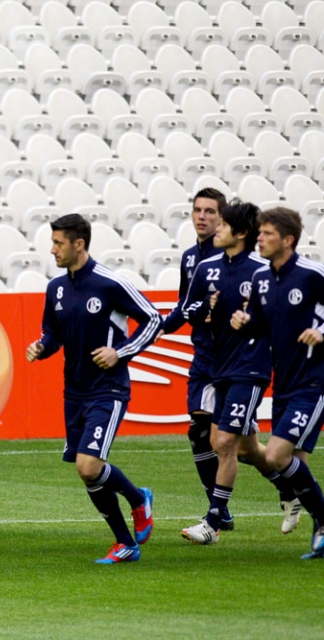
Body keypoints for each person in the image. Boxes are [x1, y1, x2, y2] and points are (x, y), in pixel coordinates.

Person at [26, 214, 157, 564]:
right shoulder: (55, 288)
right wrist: (42, 347)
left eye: (58, 243)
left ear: (78, 244)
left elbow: (153, 318)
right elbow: (52, 334)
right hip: (75, 391)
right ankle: (128, 534)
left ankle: (136, 504)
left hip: (108, 389)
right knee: (89, 471)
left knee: (88, 466)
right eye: (52, 242)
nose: (52, 249)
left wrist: (121, 352)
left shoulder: (109, 283)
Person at [179, 201, 279, 545]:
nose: (214, 230)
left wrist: (252, 321)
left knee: (221, 442)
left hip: (250, 368)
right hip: (218, 366)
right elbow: (188, 308)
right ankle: (296, 488)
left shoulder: (263, 271)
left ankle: (213, 522)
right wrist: (202, 309)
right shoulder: (206, 268)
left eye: (221, 226)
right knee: (249, 450)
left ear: (240, 233)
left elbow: (280, 319)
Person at [230, 207, 324, 559]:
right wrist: (245, 320)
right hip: (282, 383)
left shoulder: (312, 274)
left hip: (313, 382)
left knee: (275, 455)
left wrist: (321, 332)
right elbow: (262, 325)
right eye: (259, 233)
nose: (260, 239)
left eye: (267, 233)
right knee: (294, 463)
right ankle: (321, 529)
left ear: (288, 239)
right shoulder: (261, 278)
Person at [156, 188, 237, 530]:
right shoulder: (190, 258)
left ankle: (288, 483)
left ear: (222, 218)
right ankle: (219, 511)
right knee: (199, 432)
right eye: (197, 210)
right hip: (203, 355)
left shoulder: (233, 258)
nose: (202, 216)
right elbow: (184, 304)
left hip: (233, 358)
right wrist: (156, 326)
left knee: (241, 447)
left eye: (209, 211)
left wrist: (207, 310)